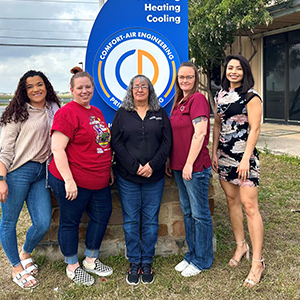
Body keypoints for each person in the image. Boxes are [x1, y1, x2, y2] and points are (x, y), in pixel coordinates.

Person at [0, 70, 61, 290]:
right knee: (9, 222)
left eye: (39, 84)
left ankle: (25, 252)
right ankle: (16, 267)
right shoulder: (18, 113)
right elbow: (5, 148)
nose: (35, 89)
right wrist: (0, 178)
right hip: (18, 173)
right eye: (30, 86)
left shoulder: (54, 108)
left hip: (43, 172)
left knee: (42, 222)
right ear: (24, 90)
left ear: (46, 85)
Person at [48, 67, 113, 286]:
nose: (84, 91)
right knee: (70, 221)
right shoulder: (67, 113)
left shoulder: (96, 111)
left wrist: (108, 168)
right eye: (80, 88)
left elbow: (101, 142)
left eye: (88, 87)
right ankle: (72, 266)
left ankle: (91, 259)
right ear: (71, 90)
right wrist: (68, 180)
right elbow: (57, 149)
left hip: (99, 179)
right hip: (74, 180)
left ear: (93, 88)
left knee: (102, 215)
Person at [111, 75, 172, 285]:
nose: (139, 89)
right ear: (130, 90)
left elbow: (167, 143)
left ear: (150, 90)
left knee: (150, 222)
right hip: (128, 178)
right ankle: (134, 262)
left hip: (154, 178)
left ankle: (147, 262)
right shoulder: (122, 114)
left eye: (143, 86)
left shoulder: (159, 113)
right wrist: (134, 166)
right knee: (130, 221)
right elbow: (116, 143)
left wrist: (152, 166)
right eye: (135, 86)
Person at [212, 54, 264, 287]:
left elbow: (254, 130)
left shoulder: (251, 96)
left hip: (244, 158)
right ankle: (241, 246)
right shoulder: (220, 95)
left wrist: (245, 159)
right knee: (231, 202)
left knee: (250, 206)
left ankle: (257, 262)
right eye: (230, 68)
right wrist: (214, 152)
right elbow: (217, 124)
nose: (233, 71)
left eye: (238, 68)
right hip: (224, 157)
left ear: (245, 72)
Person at [166, 62, 213, 277]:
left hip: (194, 168)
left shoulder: (198, 100)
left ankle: (202, 260)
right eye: (181, 77)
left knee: (200, 214)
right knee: (188, 213)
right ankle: (192, 254)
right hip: (178, 167)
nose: (185, 80)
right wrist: (171, 161)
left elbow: (200, 133)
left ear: (196, 79)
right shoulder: (178, 103)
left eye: (189, 77)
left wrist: (188, 163)